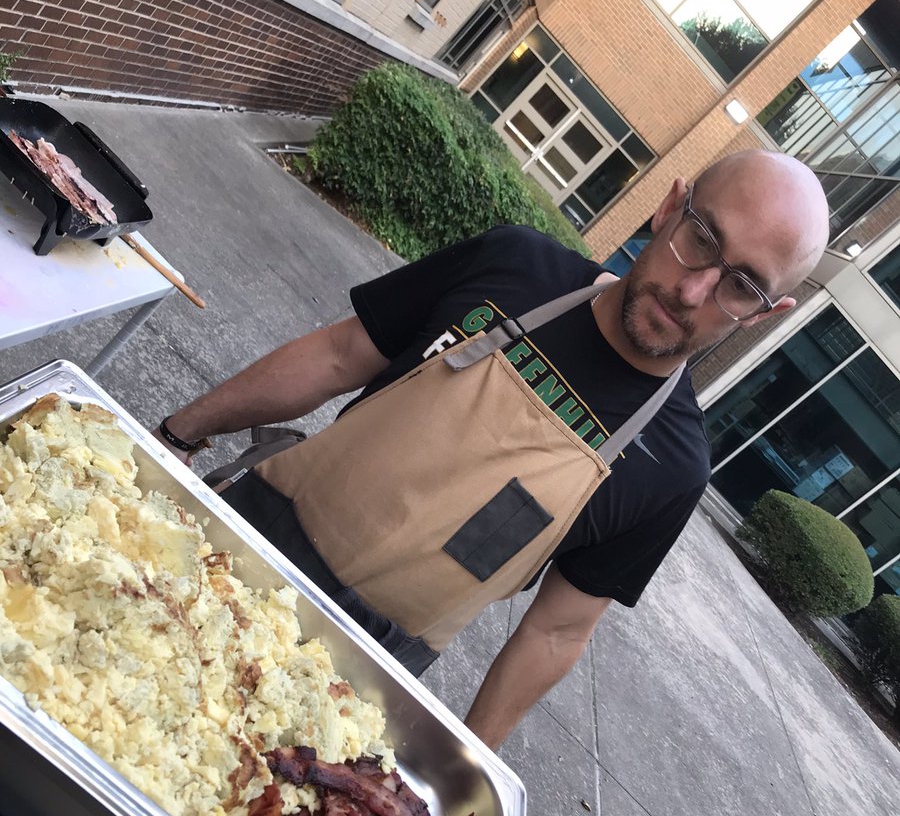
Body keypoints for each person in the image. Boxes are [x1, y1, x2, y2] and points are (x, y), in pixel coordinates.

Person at [154, 150, 829, 749]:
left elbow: (557, 632)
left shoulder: (673, 468)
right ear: (669, 208)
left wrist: (462, 769)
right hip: (234, 542)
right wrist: (174, 436)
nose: (692, 291)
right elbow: (337, 356)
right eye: (701, 238)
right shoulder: (515, 264)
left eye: (741, 285)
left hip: (346, 680)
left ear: (767, 313)